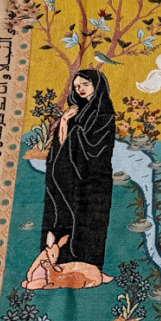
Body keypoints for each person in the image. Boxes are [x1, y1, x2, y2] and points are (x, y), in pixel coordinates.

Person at [40, 68, 115, 274]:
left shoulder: (104, 113)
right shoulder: (75, 110)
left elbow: (97, 147)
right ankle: (60, 263)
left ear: (96, 85)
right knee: (64, 215)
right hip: (69, 173)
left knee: (90, 219)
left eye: (85, 85)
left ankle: (89, 268)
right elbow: (62, 145)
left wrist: (75, 133)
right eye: (77, 86)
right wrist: (65, 121)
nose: (80, 89)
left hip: (94, 178)